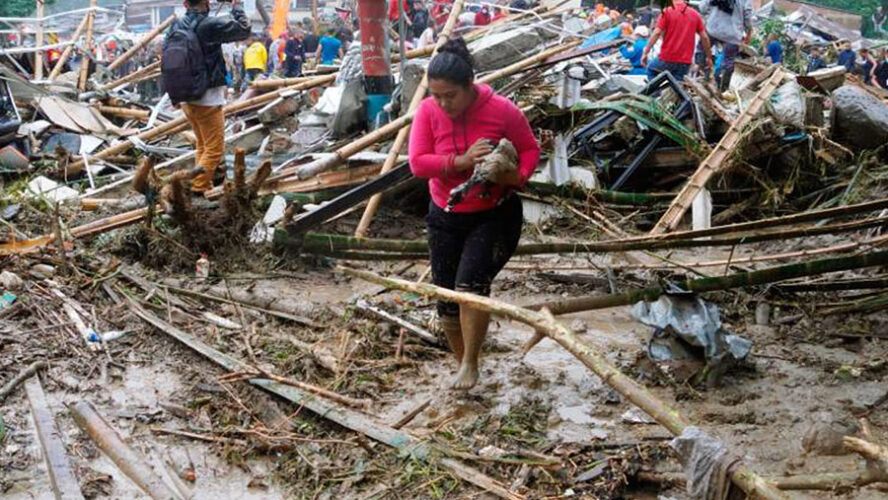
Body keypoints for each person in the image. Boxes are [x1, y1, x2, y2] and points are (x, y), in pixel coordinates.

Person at [408, 39, 541, 391]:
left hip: (494, 214)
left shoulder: (502, 111)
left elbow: (530, 149)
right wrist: (461, 162)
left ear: (469, 87)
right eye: (436, 95)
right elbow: (418, 163)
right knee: (448, 301)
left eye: (450, 95)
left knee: (470, 287)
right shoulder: (426, 112)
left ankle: (471, 363)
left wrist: (516, 176)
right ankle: (461, 363)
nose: (442, 103)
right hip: (445, 214)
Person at [165, 0, 250, 194]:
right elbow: (244, 29)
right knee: (214, 148)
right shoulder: (210, 25)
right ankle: (199, 186)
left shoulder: (176, 25)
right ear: (206, 2)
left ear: (185, 3)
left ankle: (201, 182)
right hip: (207, 98)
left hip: (186, 97)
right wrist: (236, 6)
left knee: (203, 145)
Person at [642, 0, 713, 83]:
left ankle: (656, 94)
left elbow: (657, 32)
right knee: (677, 84)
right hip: (685, 62)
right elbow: (704, 37)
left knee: (651, 70)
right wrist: (709, 57)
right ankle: (672, 94)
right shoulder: (695, 15)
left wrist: (646, 52)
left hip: (667, 57)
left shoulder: (667, 12)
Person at [700, 0, 753, 92]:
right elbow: (747, 18)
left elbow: (703, 7)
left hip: (713, 29)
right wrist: (748, 32)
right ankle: (723, 89)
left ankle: (703, 78)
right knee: (728, 63)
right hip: (733, 34)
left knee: (702, 51)